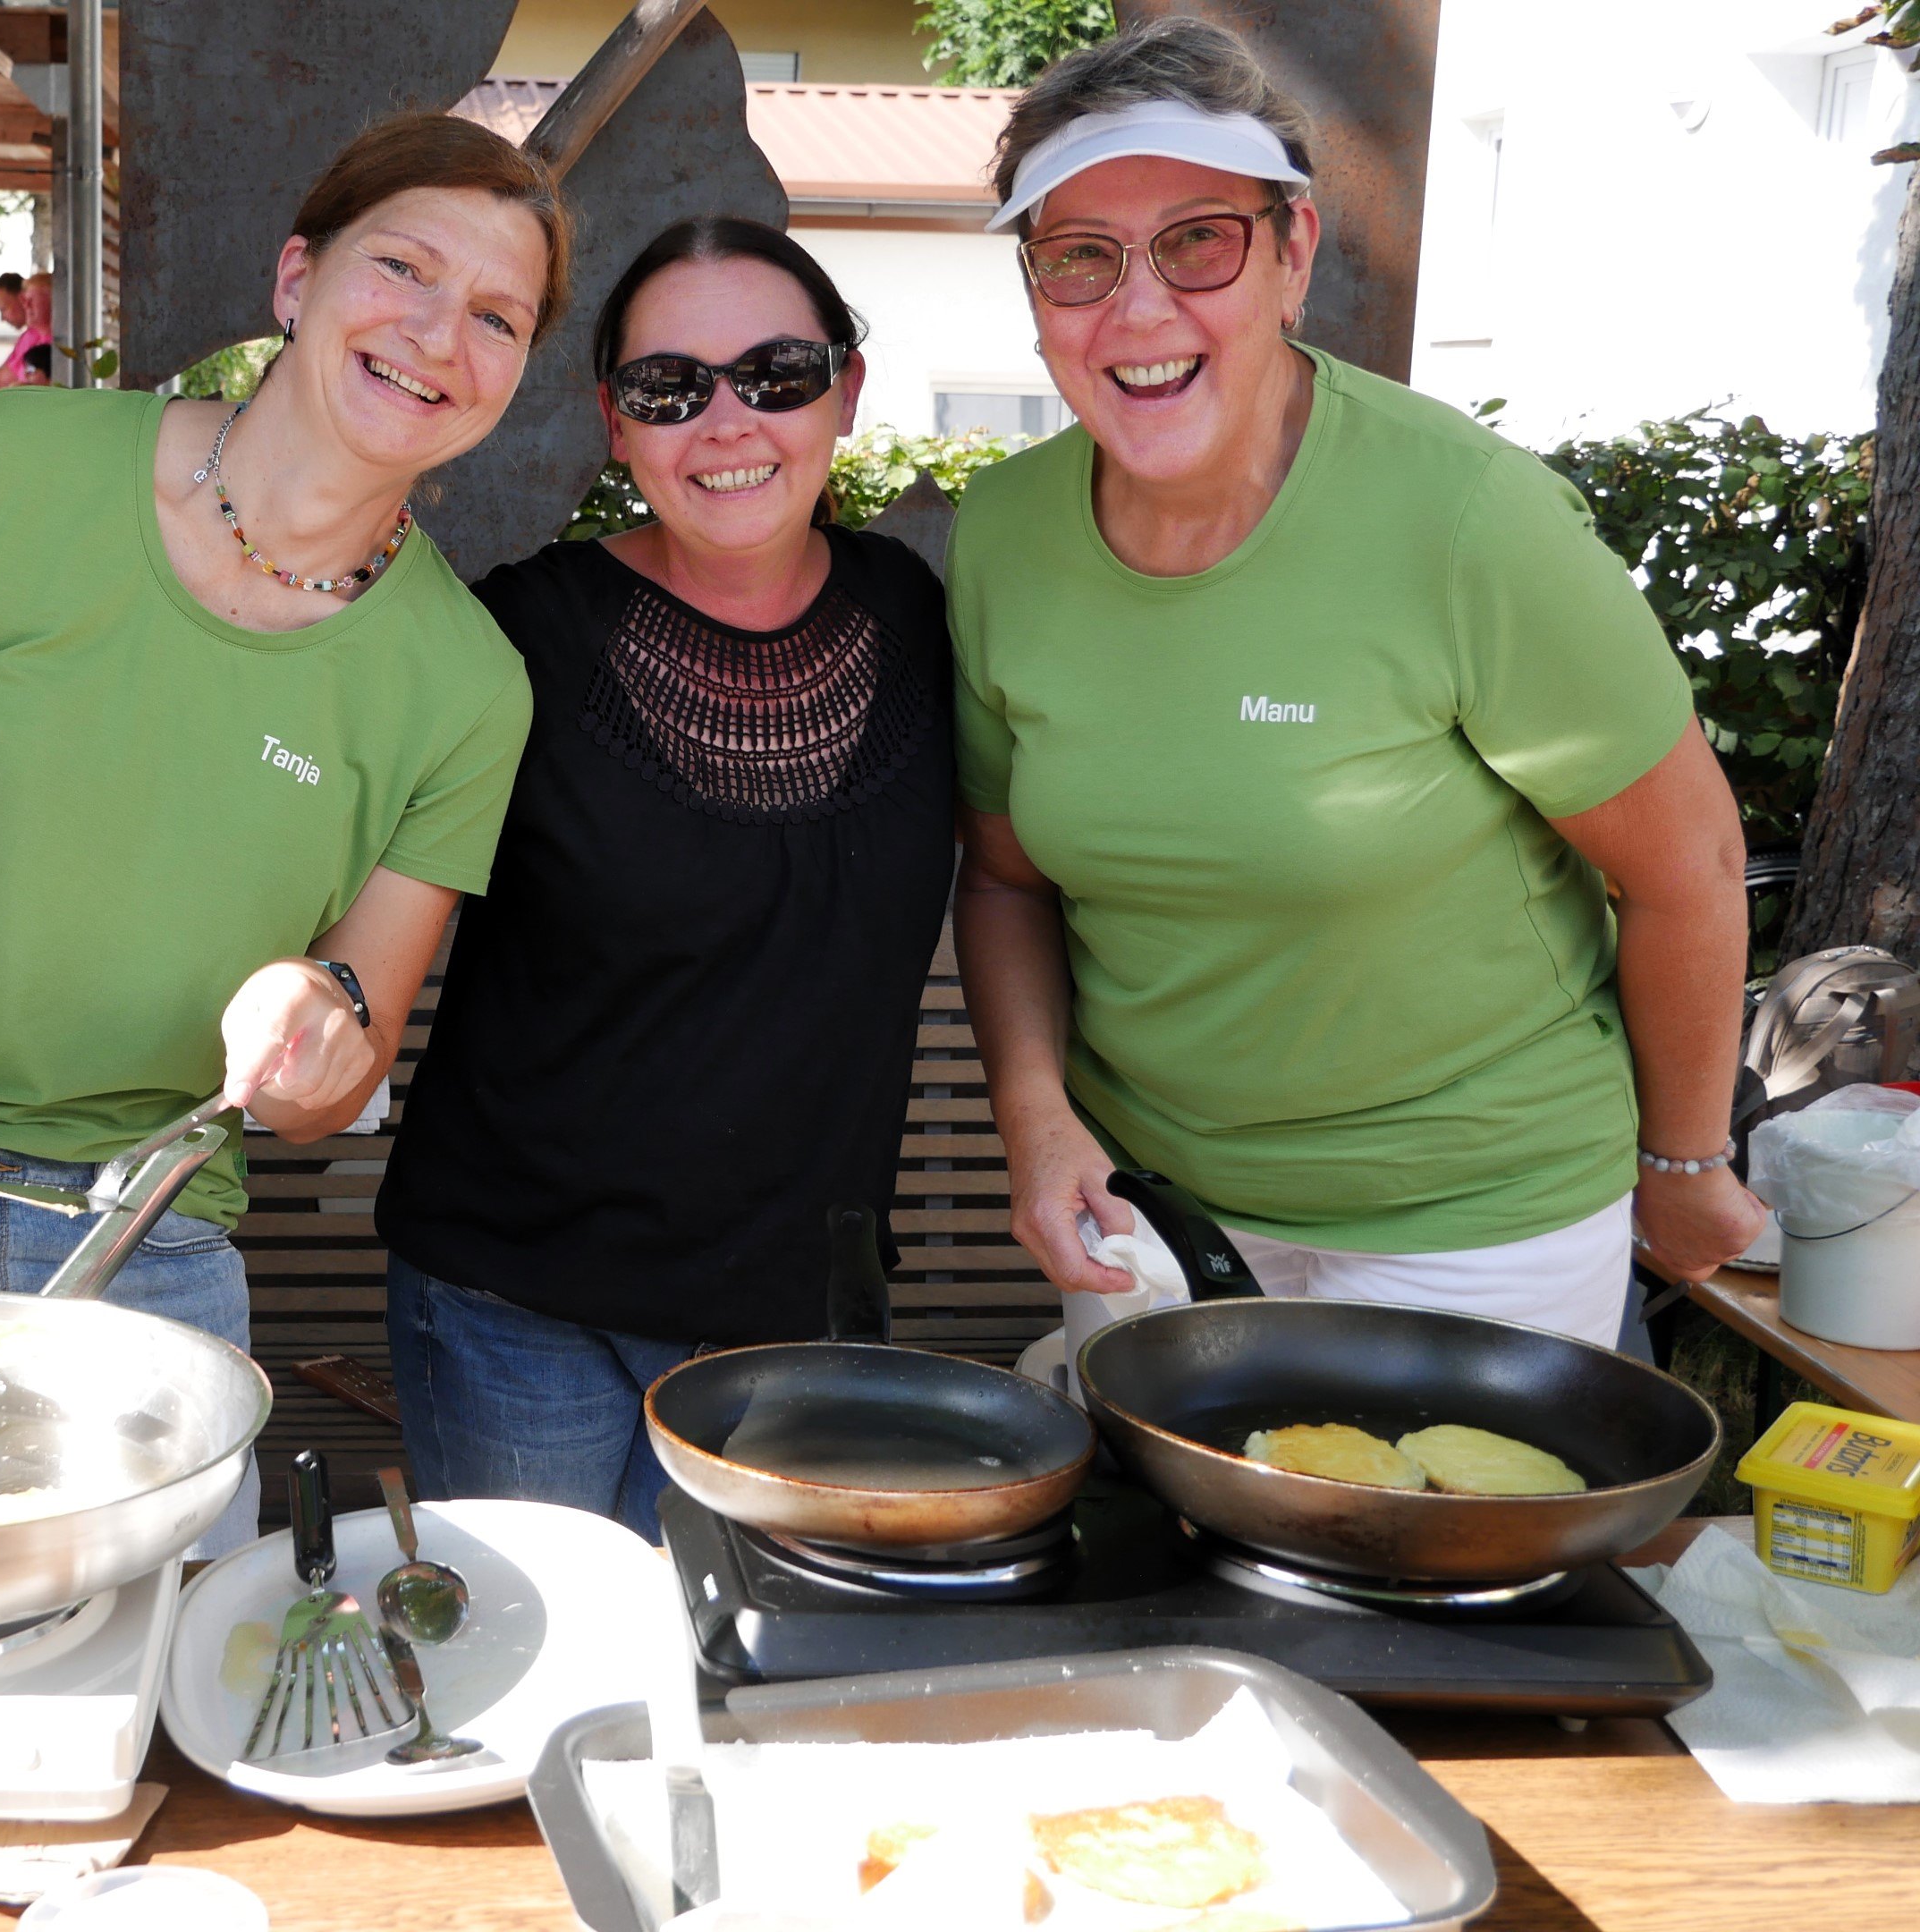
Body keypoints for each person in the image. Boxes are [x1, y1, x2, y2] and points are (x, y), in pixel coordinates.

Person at [0, 112, 571, 1555]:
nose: (440, 335)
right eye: (403, 268)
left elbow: (345, 1048)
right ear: (293, 279)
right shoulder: (12, 463)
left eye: (497, 317)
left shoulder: (467, 685)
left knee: (115, 1738)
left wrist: (317, 1022)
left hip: (134, 1250)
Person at [947, 19, 1766, 1352]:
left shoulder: (1466, 522)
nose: (1139, 308)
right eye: (1079, 259)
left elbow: (1689, 861)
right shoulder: (1003, 535)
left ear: (1294, 255)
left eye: (1198, 239)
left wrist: (1683, 1165)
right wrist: (1038, 1123)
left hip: (1476, 1224)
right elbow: (1004, 878)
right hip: (1160, 1218)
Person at [375, 218, 958, 1538]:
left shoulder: (923, 622)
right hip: (520, 1309)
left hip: (799, 1329)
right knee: (546, 1694)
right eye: (668, 389)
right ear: (615, 425)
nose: (727, 421)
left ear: (847, 389)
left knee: (736, 1704)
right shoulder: (516, 637)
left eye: (778, 374)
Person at [0, 270, 55, 389]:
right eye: (25, 300)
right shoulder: (29, 336)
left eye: (4, 309)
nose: (26, 305)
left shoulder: (60, 342)